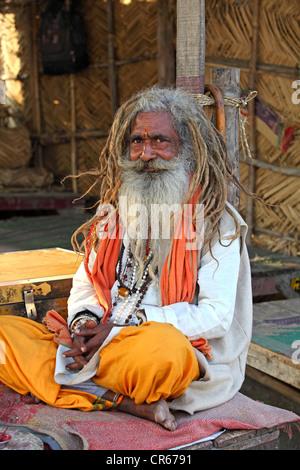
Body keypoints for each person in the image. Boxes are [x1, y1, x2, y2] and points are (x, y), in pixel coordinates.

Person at [0, 87, 253, 432]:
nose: (145, 154)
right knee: (5, 334)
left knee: (164, 354)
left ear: (187, 151)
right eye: (137, 141)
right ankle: (125, 401)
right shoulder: (115, 215)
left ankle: (93, 389)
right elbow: (86, 282)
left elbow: (217, 316)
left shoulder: (214, 222)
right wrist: (83, 327)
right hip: (102, 343)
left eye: (160, 141)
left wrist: (122, 328)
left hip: (154, 349)